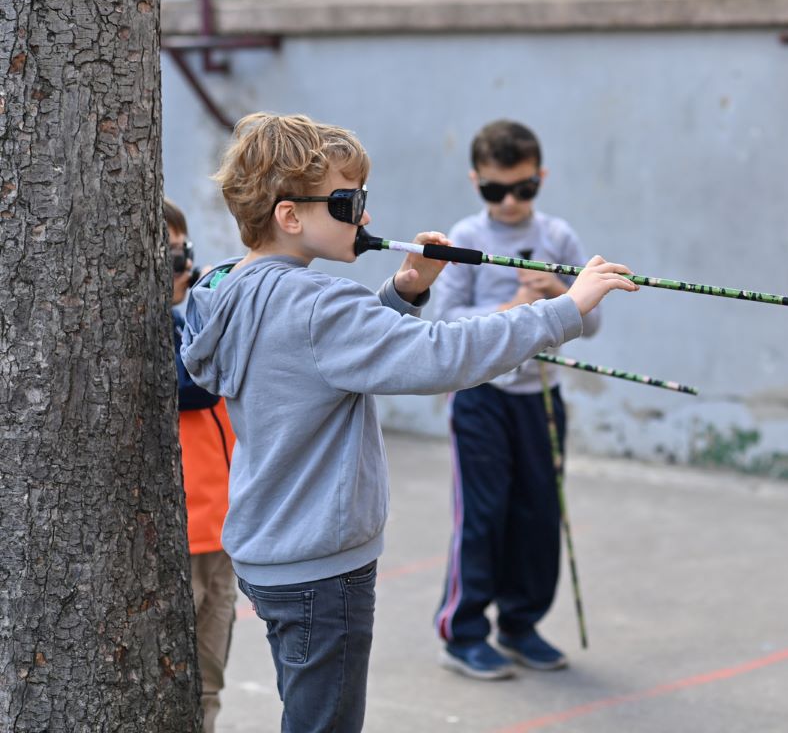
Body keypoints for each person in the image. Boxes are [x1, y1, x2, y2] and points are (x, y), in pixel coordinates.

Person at [179, 112, 636, 733]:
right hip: (321, 564)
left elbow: (320, 360)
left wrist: (405, 291)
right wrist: (564, 308)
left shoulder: (227, 290)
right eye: (348, 202)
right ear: (290, 216)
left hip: (272, 552)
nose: (363, 217)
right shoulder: (318, 304)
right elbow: (444, 356)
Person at [431, 120, 598, 680]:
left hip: (539, 398)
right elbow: (445, 321)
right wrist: (513, 310)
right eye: (494, 191)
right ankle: (464, 631)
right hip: (481, 399)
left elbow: (590, 322)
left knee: (539, 512)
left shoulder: (559, 238)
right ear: (476, 181)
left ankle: (521, 624)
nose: (508, 202)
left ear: (540, 179)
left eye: (523, 189)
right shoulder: (463, 236)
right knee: (482, 514)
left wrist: (558, 295)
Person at [165, 198, 237, 733]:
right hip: (179, 536)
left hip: (224, 528)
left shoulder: (191, 314)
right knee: (171, 674)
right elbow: (194, 389)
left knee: (209, 677)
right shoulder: (169, 328)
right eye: (169, 262)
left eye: (183, 254)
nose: (184, 270)